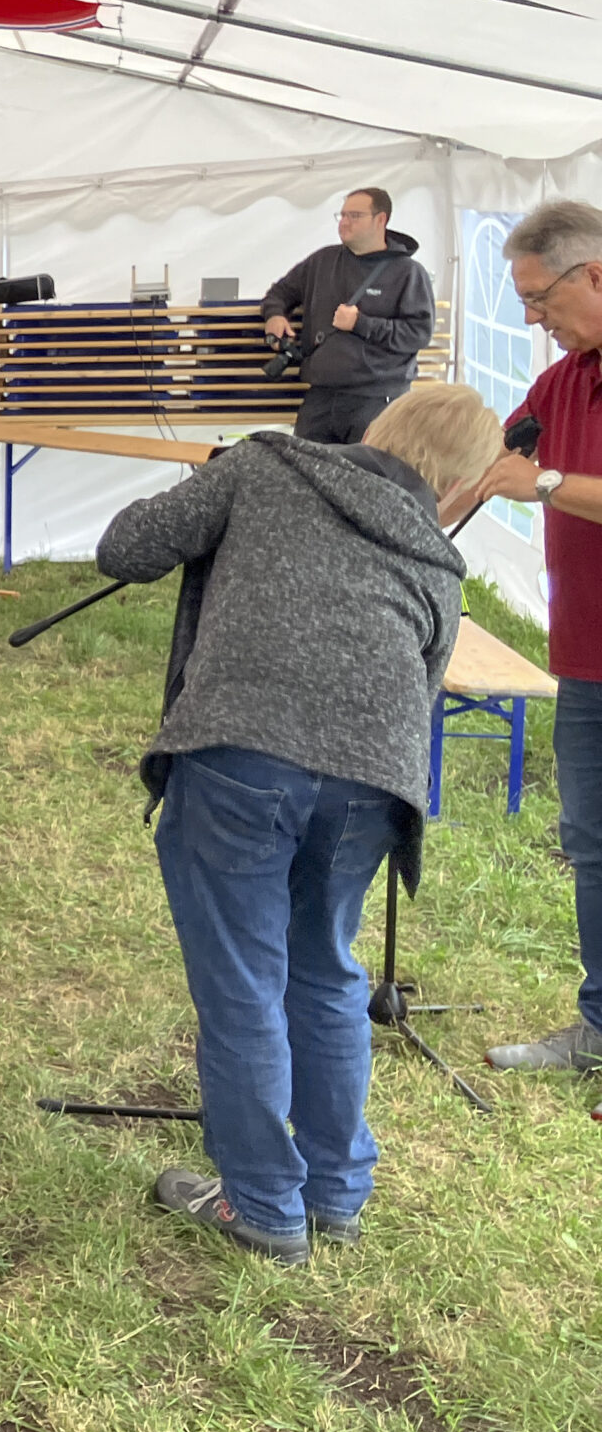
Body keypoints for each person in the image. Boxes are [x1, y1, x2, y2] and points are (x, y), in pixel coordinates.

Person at [95, 384, 499, 1261]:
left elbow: (124, 548)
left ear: (381, 426)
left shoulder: (262, 466)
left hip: (242, 755)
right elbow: (420, 690)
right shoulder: (438, 561)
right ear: (462, 482)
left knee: (244, 983)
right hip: (371, 784)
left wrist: (209, 497)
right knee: (323, 974)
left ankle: (263, 1208)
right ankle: (335, 1195)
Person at [468, 202, 602, 1072]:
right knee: (590, 843)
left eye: (539, 298)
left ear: (595, 275)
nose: (529, 319)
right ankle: (600, 1026)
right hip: (586, 658)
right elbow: (496, 454)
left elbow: (536, 477)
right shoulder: (562, 383)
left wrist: (547, 481)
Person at [259, 187, 435, 445]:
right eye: (342, 215)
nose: (344, 222)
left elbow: (418, 334)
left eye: (355, 215)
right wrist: (274, 315)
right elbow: (279, 293)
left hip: (376, 401)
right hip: (320, 398)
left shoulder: (408, 273)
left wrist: (361, 324)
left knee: (365, 470)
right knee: (303, 468)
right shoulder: (322, 261)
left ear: (381, 219)